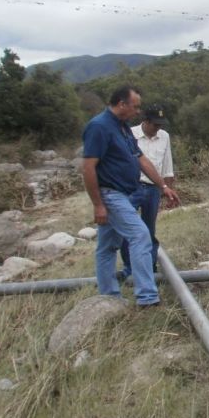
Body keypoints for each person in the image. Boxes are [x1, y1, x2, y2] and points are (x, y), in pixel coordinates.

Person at [82, 86, 180, 307]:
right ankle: (147, 297)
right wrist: (98, 204)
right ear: (121, 104)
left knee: (107, 247)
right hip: (110, 194)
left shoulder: (122, 127)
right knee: (140, 235)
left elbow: (141, 159)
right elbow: (88, 167)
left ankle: (109, 296)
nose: (137, 111)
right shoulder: (99, 127)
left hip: (123, 193)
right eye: (135, 107)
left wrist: (163, 186)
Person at [119, 104, 175, 280]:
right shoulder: (130, 134)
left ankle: (150, 269)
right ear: (146, 121)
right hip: (131, 188)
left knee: (149, 230)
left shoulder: (164, 137)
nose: (158, 128)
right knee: (128, 230)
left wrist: (168, 189)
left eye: (160, 124)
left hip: (153, 189)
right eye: (155, 124)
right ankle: (130, 268)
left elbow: (167, 165)